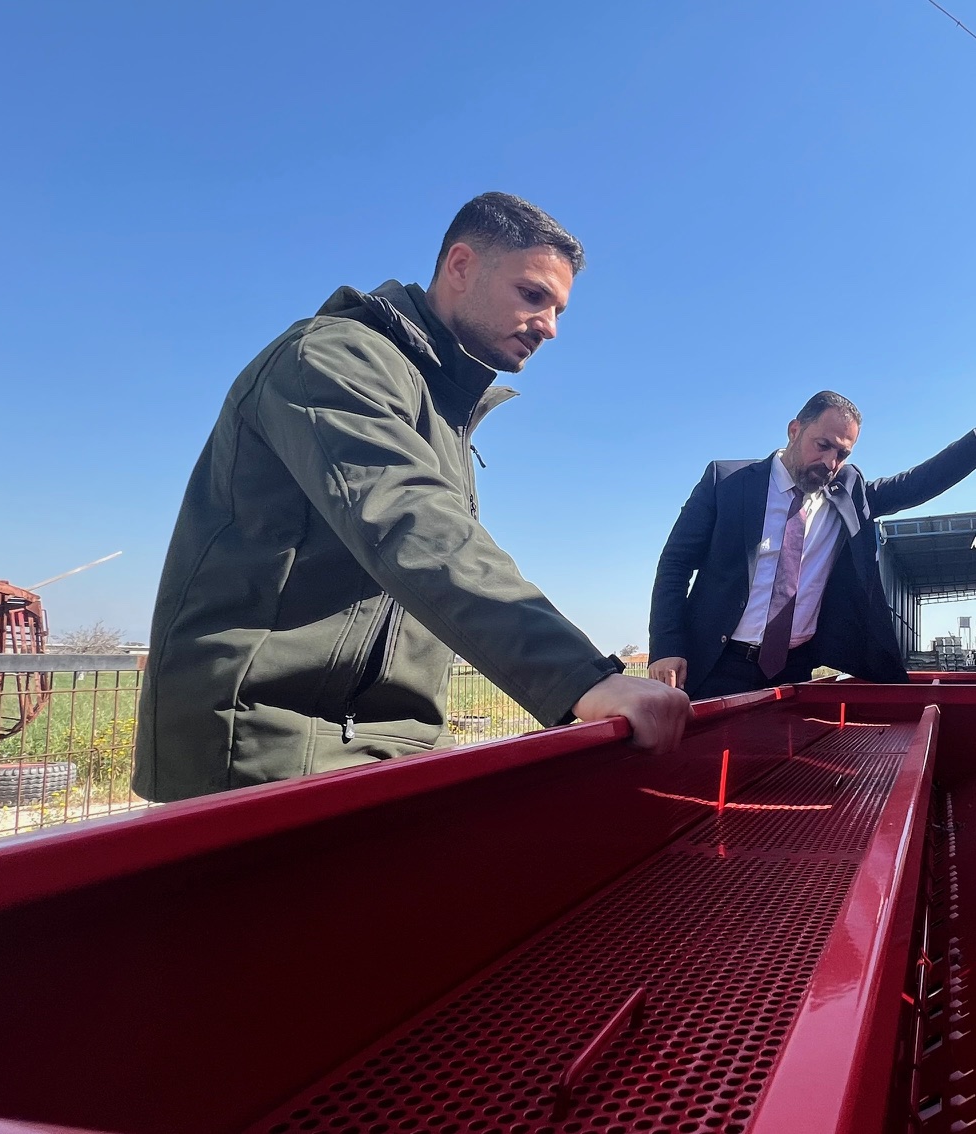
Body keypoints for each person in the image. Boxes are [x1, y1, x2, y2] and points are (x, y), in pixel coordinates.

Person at [134, 192, 689, 802]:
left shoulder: (443, 410)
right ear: (460, 265)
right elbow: (414, 527)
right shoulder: (331, 358)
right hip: (273, 745)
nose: (550, 327)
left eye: (558, 310)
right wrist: (581, 678)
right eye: (533, 295)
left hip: (391, 743)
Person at [648, 389, 976, 698]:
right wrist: (666, 646)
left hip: (794, 670)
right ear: (794, 429)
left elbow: (917, 483)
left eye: (842, 454)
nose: (830, 462)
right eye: (823, 445)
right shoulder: (727, 481)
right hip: (717, 664)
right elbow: (676, 564)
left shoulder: (847, 492)